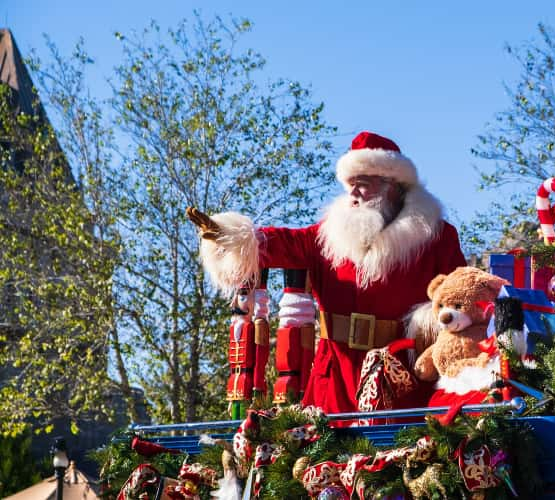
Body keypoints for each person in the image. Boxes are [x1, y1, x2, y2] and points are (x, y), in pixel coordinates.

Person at [187, 131, 467, 414]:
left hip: (404, 377)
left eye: (363, 184)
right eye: (350, 184)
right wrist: (230, 235)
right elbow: (282, 243)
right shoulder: (327, 234)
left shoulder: (437, 237)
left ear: (391, 185)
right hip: (334, 378)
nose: (353, 193)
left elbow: (462, 295)